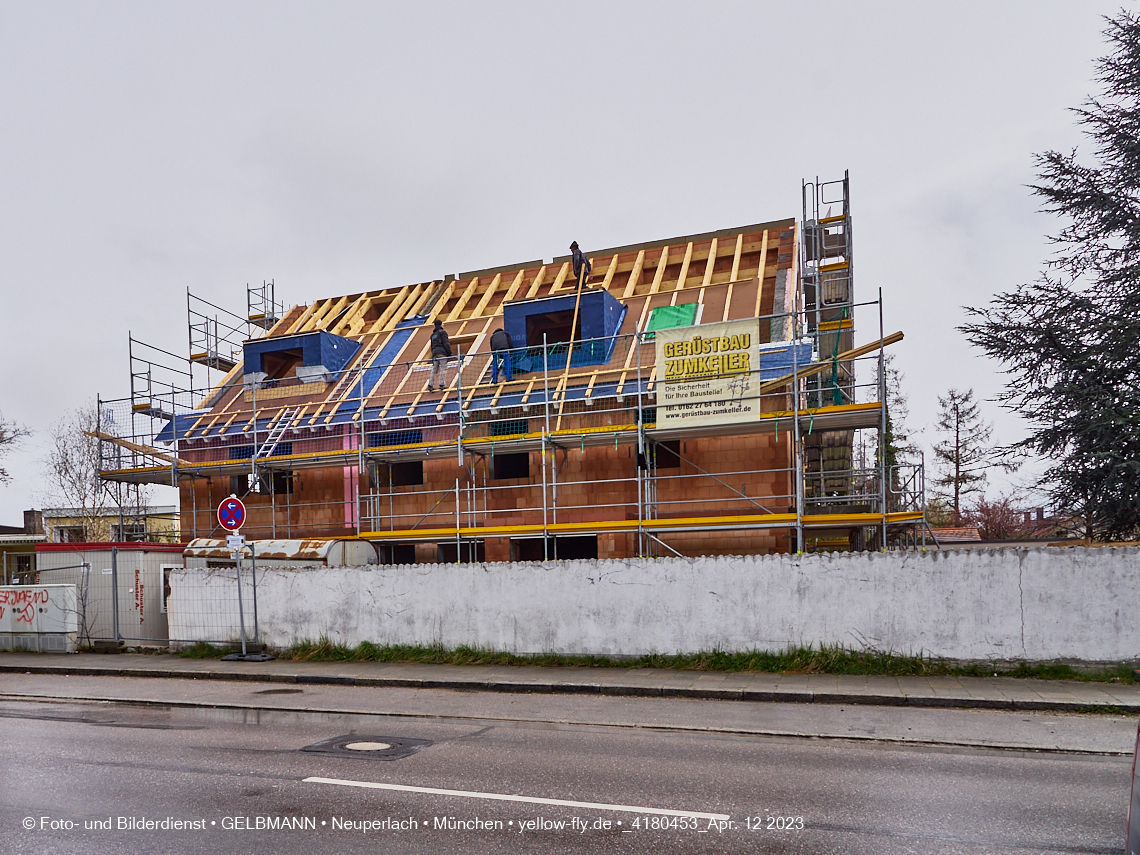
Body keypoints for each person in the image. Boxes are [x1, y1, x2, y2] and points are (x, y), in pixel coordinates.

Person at [428, 319, 451, 391]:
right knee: (443, 368)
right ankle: (442, 384)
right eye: (442, 324)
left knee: (434, 369)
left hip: (435, 353)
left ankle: (430, 384)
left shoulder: (433, 335)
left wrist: (433, 354)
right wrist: (449, 353)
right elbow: (446, 343)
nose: (443, 325)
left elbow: (432, 346)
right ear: (440, 325)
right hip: (442, 353)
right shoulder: (442, 333)